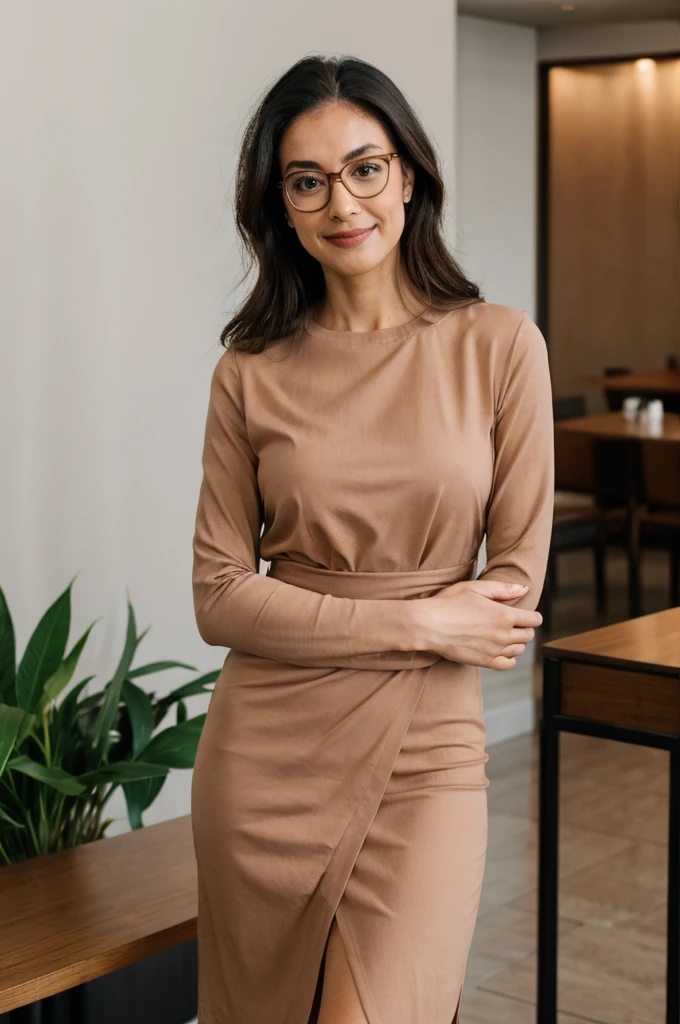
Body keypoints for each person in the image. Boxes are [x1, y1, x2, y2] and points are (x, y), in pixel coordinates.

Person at [190, 53, 553, 1024]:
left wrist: (439, 625)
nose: (340, 202)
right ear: (279, 205)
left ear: (408, 176)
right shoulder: (249, 369)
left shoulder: (500, 346)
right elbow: (219, 595)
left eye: (364, 167)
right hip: (265, 759)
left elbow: (507, 593)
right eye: (305, 180)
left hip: (426, 750)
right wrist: (427, 621)